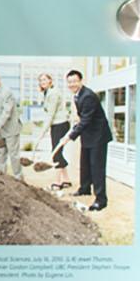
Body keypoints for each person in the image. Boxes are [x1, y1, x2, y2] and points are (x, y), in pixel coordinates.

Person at [52, 70, 113, 211]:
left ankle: (101, 200)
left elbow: (85, 120)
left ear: (81, 81)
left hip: (98, 136)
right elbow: (82, 119)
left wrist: (70, 137)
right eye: (69, 82)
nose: (72, 84)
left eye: (75, 81)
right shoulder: (78, 95)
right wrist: (72, 130)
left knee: (97, 167)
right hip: (88, 134)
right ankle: (85, 188)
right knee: (85, 164)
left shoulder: (88, 96)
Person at [39, 73, 75, 190]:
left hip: (60, 124)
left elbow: (51, 114)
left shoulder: (53, 93)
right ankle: (66, 180)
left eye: (45, 79)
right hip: (56, 125)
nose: (42, 82)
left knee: (56, 153)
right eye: (41, 80)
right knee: (58, 151)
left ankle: (57, 182)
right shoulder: (47, 92)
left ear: (50, 80)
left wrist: (43, 131)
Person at [0, 73, 22, 178]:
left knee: (14, 155)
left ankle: (18, 178)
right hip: (1, 130)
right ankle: (1, 178)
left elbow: (7, 112)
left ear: (0, 79)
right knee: (1, 153)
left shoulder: (7, 92)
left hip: (11, 129)